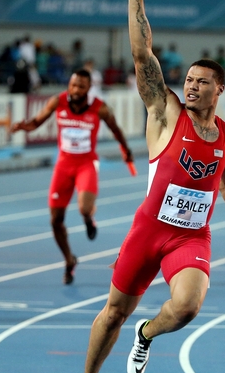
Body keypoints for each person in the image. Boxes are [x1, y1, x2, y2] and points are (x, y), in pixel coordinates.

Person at [77, 0, 225, 373]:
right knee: (113, 313)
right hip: (150, 229)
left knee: (186, 307)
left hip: (190, 236)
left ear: (219, 89)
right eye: (189, 80)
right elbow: (142, 54)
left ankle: (147, 334)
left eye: (202, 82)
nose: (191, 86)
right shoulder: (166, 113)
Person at [10, 69, 134, 285]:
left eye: (81, 86)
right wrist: (24, 126)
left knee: (84, 208)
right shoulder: (57, 102)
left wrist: (126, 150)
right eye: (73, 85)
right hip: (63, 166)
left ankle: (88, 219)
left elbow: (116, 130)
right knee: (55, 220)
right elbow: (36, 123)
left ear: (88, 89)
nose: (75, 90)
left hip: (86, 164)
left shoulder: (100, 108)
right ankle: (69, 260)